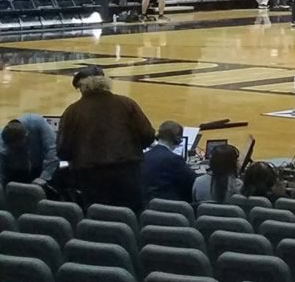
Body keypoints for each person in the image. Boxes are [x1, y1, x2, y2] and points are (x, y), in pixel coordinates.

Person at [57, 69, 155, 210]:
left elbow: (63, 150)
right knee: (131, 217)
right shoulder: (127, 104)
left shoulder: (72, 111)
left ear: (82, 87)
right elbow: (148, 136)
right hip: (127, 172)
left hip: (90, 177)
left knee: (98, 219)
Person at [141, 120, 196, 204]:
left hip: (146, 208)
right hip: (169, 207)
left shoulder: (144, 156)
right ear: (178, 139)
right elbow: (193, 181)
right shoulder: (175, 159)